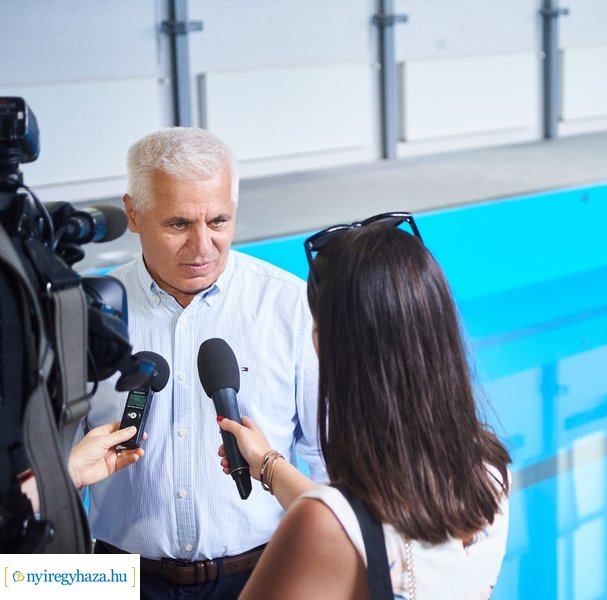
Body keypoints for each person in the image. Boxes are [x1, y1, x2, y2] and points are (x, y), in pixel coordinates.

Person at [81, 127, 325, 598]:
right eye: (178, 224)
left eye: (218, 221)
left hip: (265, 573)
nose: (202, 247)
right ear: (133, 214)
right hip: (117, 579)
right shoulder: (88, 315)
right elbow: (55, 482)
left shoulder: (292, 307)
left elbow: (330, 460)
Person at [217, 213, 512, 598]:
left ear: (324, 344)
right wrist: (268, 463)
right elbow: (359, 527)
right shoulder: (489, 472)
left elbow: (338, 526)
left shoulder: (321, 524)